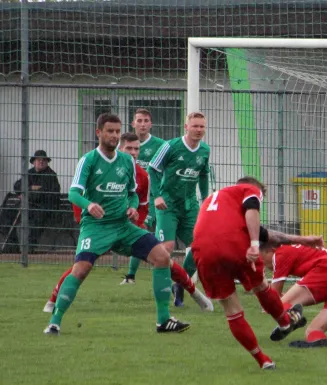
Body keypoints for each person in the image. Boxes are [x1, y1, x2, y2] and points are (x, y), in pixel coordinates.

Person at [43, 113, 190, 336]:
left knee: (162, 257)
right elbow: (74, 193)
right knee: (81, 270)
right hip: (96, 227)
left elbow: (131, 194)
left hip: (123, 226)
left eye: (117, 131)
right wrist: (89, 204)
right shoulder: (89, 160)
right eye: (109, 131)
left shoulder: (126, 162)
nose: (114, 135)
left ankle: (163, 320)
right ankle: (55, 322)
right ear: (98, 133)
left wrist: (132, 207)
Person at [192, 176, 323, 369]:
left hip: (202, 253)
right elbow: (252, 206)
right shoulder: (250, 190)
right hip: (234, 246)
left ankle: (263, 360)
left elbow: (267, 234)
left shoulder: (217, 201)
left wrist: (302, 239)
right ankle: (285, 321)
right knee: (260, 285)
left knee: (233, 312)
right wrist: (254, 245)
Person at [144, 111, 210, 306]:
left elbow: (204, 174)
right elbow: (153, 168)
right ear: (186, 127)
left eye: (202, 127)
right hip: (168, 205)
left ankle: (180, 284)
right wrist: (157, 196)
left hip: (190, 206)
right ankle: (163, 297)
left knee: (201, 246)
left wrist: (205, 199)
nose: (198, 130)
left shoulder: (205, 150)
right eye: (195, 126)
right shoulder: (170, 146)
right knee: (166, 248)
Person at [260, 244, 327, 348]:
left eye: (262, 259)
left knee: (279, 305)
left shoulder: (280, 254)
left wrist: (260, 282)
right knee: (313, 331)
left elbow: (273, 297)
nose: (263, 264)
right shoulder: (295, 249)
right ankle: (316, 340)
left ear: (271, 249)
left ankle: (292, 319)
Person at [121, 108, 166, 284]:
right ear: (133, 123)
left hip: (153, 197)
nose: (142, 124)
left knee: (142, 231)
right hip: (130, 197)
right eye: (139, 120)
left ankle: (132, 275)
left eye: (146, 120)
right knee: (139, 232)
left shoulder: (160, 145)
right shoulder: (124, 145)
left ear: (151, 124)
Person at [13, 150, 61, 251]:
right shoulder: (30, 173)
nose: (41, 162)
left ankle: (29, 249)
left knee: (37, 218)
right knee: (9, 213)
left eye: (44, 160)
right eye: (39, 160)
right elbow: (17, 186)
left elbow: (47, 194)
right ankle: (11, 247)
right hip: (28, 206)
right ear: (34, 162)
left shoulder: (51, 175)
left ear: (47, 162)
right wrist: (31, 188)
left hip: (45, 209)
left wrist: (26, 194)